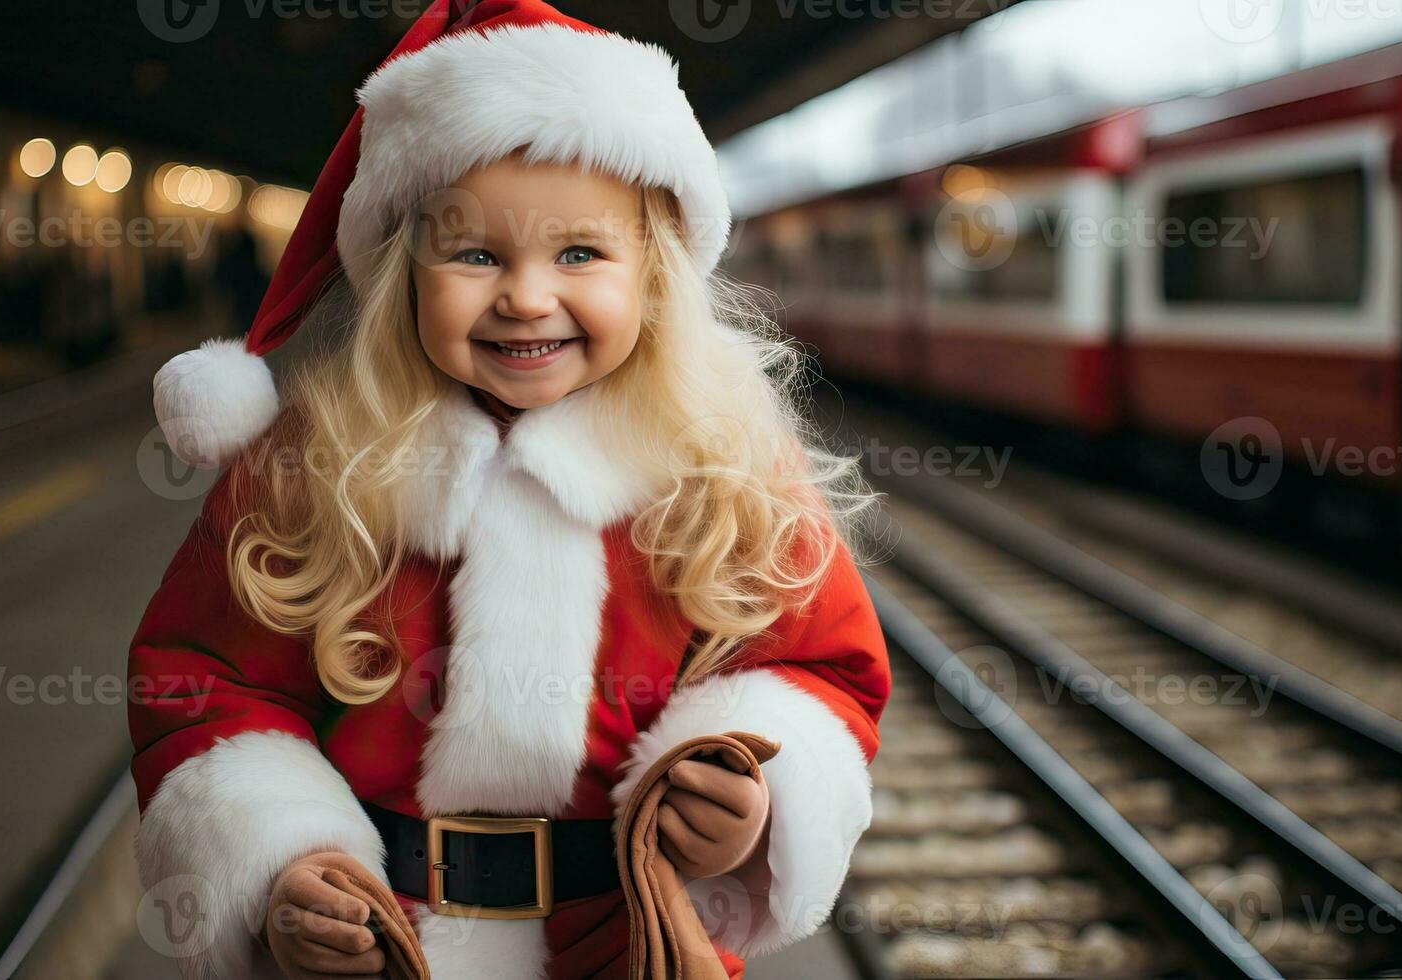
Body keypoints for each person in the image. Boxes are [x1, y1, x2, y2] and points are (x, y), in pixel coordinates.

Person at [127, 2, 892, 978]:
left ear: (651, 276)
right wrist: (280, 856)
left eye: (578, 253)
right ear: (401, 275)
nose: (527, 296)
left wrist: (759, 793)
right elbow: (200, 680)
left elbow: (823, 665)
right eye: (475, 254)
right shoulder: (304, 469)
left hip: (624, 947)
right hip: (380, 943)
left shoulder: (728, 468)